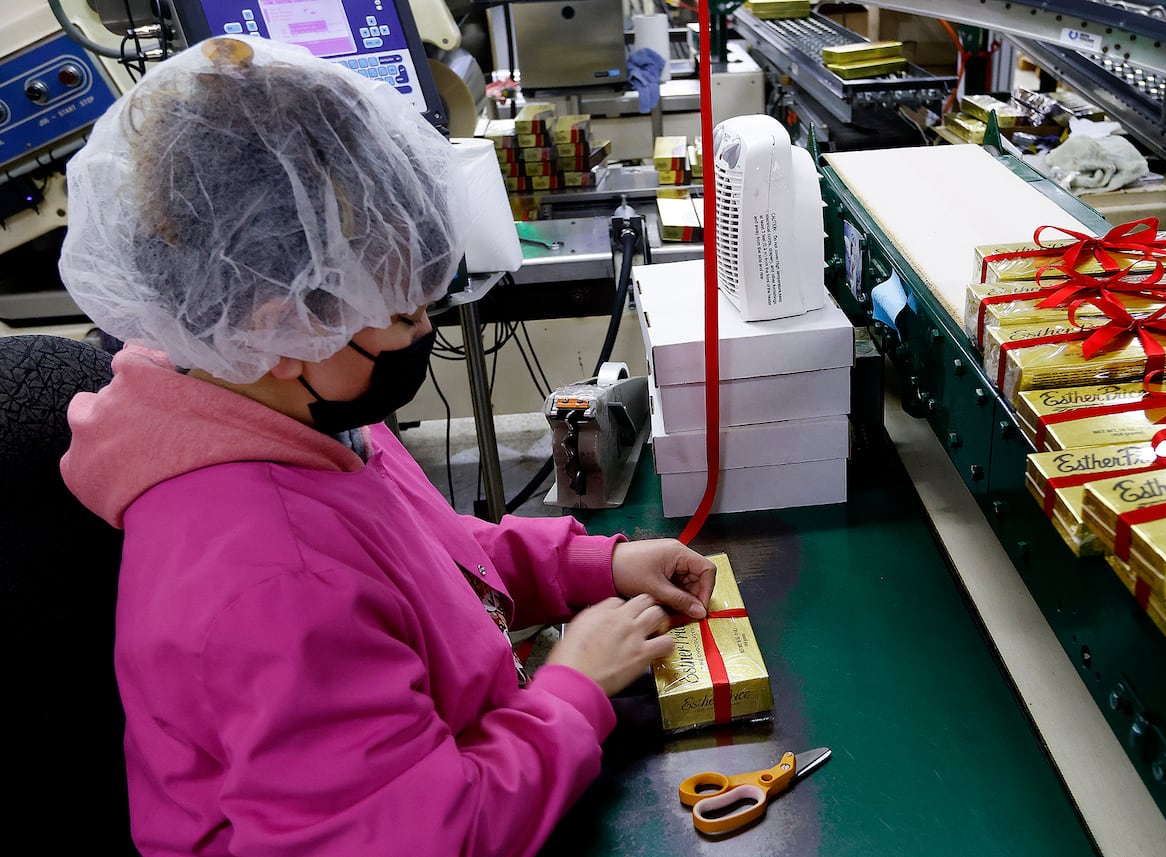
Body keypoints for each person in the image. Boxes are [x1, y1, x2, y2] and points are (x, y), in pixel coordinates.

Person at [56, 36, 714, 856]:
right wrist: (572, 688)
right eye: (402, 312)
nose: (424, 328)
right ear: (283, 321)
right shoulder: (267, 579)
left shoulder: (280, 409)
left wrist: (590, 565)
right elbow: (425, 838)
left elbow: (432, 560)